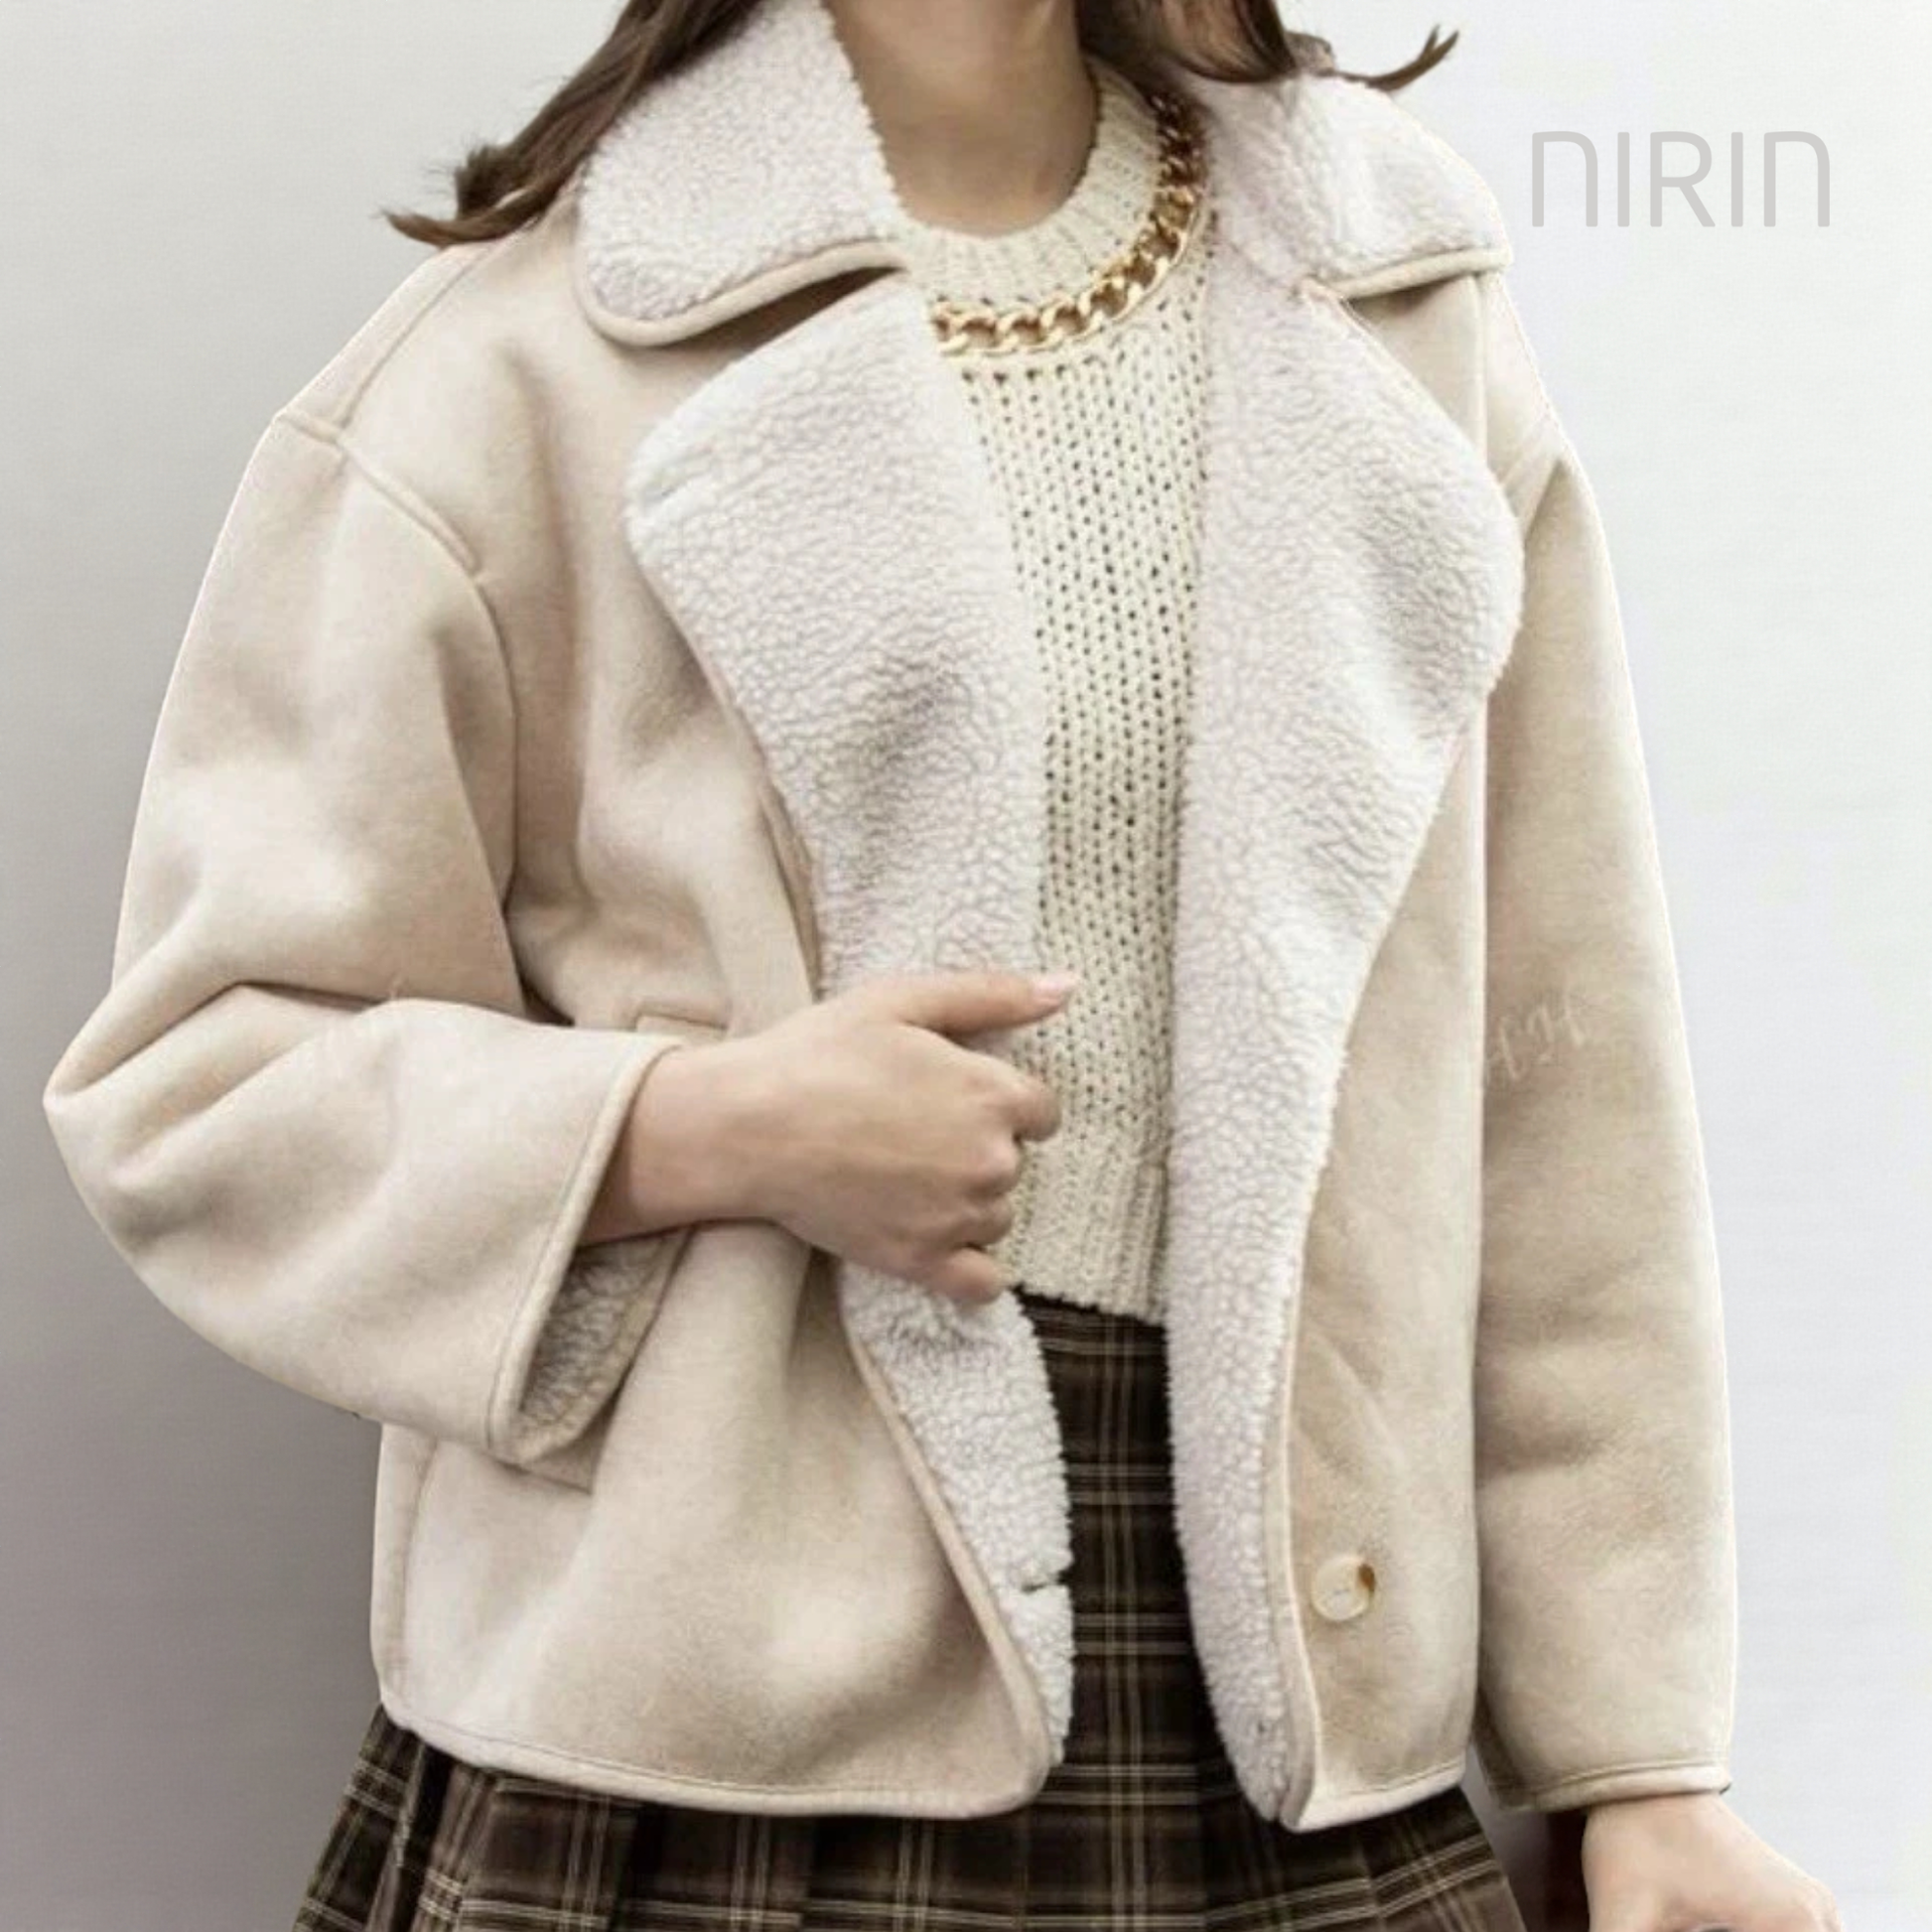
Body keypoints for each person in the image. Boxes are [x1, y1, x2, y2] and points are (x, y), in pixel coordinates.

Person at [42, 0, 1842, 1927]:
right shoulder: (516, 363)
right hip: (715, 1730)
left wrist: (1632, 1760)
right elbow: (203, 1078)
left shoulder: (1393, 301)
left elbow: (1557, 1087)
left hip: (1292, 1696)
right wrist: (697, 1128)